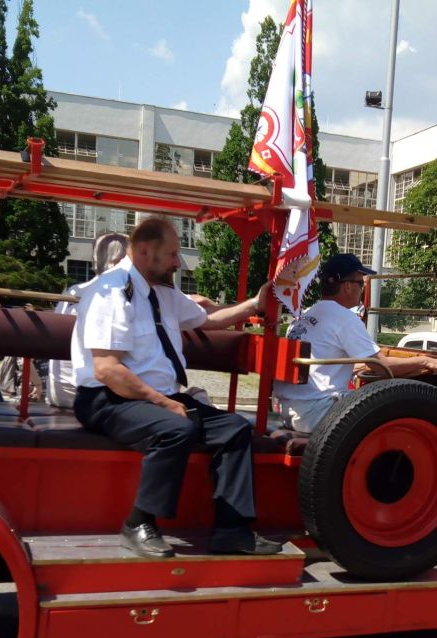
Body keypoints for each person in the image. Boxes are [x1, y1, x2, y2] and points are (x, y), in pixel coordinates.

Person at [71, 216, 278, 558]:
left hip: (151, 398)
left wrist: (256, 304)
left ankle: (232, 530)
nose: (177, 262)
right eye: (170, 254)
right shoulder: (111, 292)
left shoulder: (161, 292)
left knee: (234, 428)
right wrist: (164, 404)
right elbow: (107, 370)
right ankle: (137, 523)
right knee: (176, 428)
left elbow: (207, 319)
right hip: (107, 399)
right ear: (142, 250)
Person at [272, 253, 437, 434]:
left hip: (289, 410)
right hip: (316, 413)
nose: (362, 288)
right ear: (346, 286)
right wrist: (425, 361)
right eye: (360, 283)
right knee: (398, 411)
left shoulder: (304, 315)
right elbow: (383, 367)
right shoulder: (344, 318)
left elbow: (321, 362)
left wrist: (355, 366)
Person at [48, 232, 129, 408]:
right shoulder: (118, 293)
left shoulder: (73, 292)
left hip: (58, 390)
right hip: (87, 393)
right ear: (120, 260)